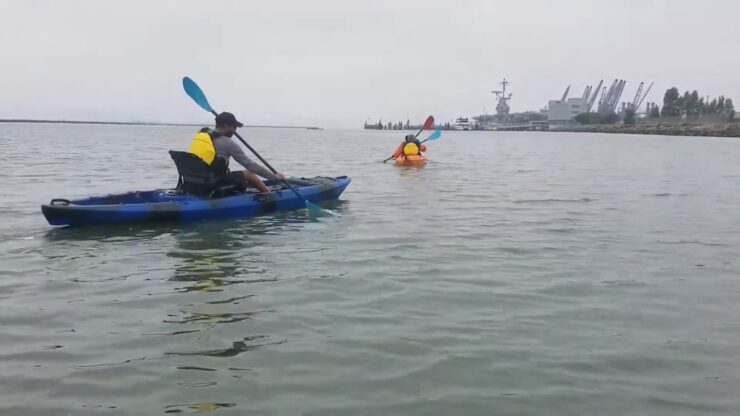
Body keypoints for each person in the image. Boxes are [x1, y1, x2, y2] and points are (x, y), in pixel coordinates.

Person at [188, 112, 284, 193]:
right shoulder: (227, 143)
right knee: (249, 174)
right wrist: (273, 177)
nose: (235, 131)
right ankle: (269, 195)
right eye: (234, 127)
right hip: (214, 184)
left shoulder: (202, 135)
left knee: (238, 176)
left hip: (195, 182)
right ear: (226, 126)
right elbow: (249, 164)